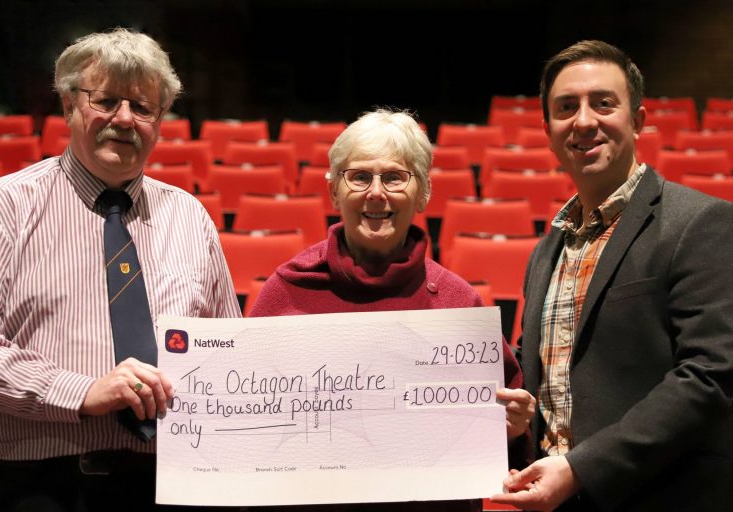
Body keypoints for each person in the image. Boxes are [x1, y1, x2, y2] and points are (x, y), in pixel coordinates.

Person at [0, 28, 240, 511]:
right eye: (107, 101)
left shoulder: (190, 217)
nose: (125, 120)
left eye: (143, 107)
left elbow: (225, 354)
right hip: (35, 488)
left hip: (166, 487)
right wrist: (85, 391)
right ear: (70, 105)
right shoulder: (2, 207)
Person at [250, 108, 536, 511]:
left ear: (422, 193)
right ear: (333, 191)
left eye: (395, 177)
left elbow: (502, 448)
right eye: (360, 176)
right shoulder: (285, 292)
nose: (376, 193)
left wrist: (509, 431)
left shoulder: (458, 304)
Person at [490, 40, 733, 512]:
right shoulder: (547, 250)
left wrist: (582, 468)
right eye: (566, 108)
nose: (583, 121)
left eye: (603, 103)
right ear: (548, 130)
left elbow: (711, 376)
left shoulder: (700, 222)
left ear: (638, 120)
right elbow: (540, 371)